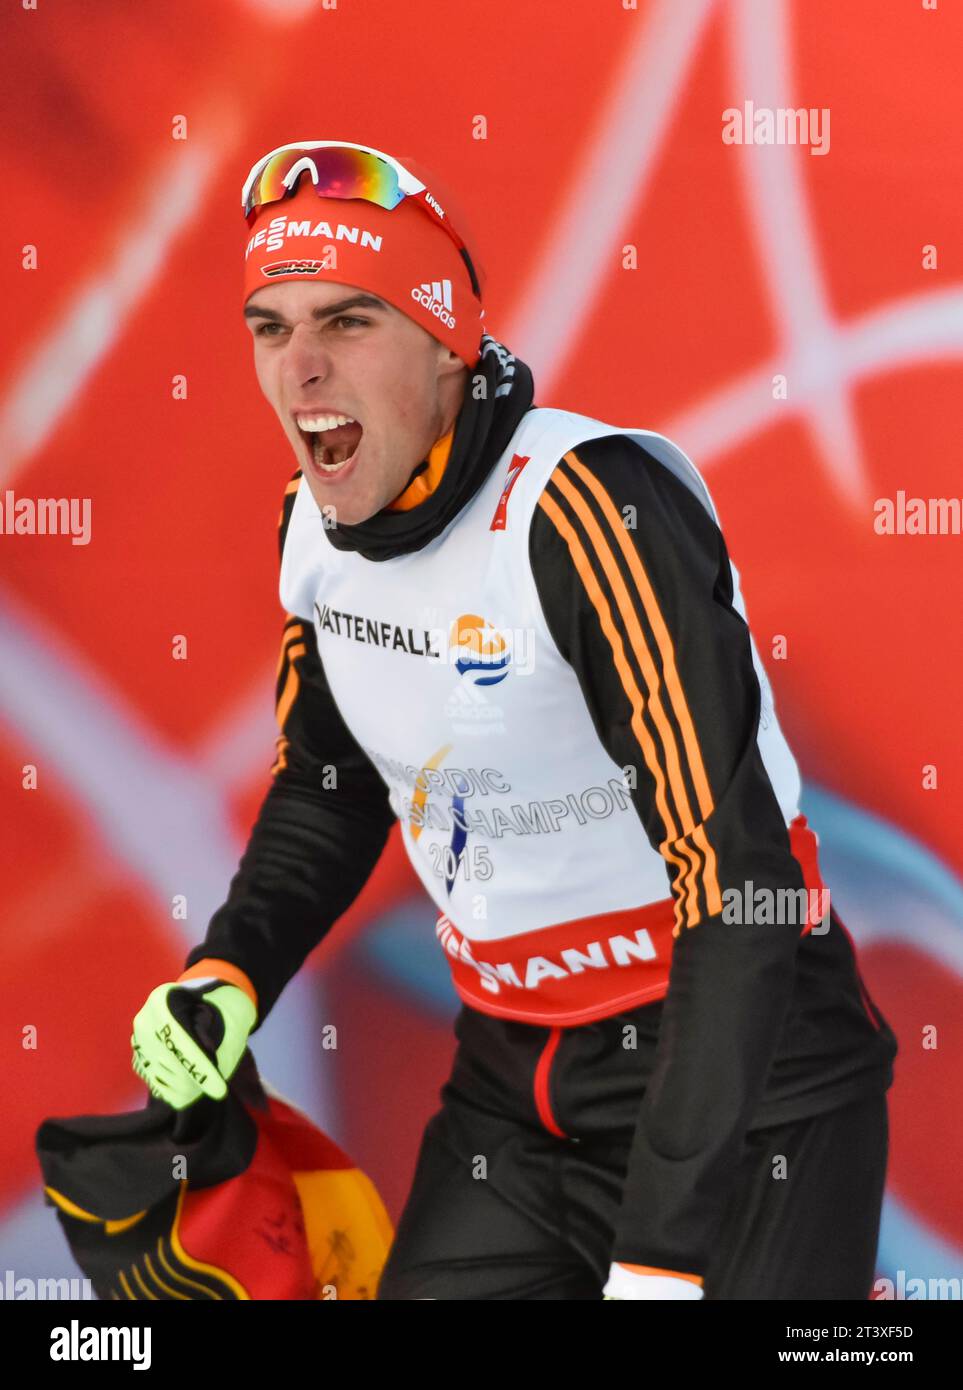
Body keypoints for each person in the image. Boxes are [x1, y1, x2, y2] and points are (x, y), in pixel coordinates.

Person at [130, 140, 898, 1300]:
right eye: (270, 328)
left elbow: (736, 881)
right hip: (515, 1090)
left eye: (347, 322)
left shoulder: (587, 511)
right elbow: (330, 783)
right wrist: (232, 970)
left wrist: (662, 1248)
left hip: (744, 1088)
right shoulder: (312, 528)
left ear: (446, 342)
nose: (301, 373)